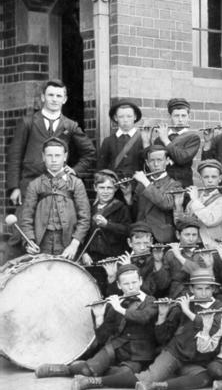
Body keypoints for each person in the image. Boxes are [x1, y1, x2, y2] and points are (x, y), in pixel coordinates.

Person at [35, 265, 158, 390]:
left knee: (124, 374)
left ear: (141, 281)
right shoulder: (116, 303)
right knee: (87, 370)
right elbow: (102, 338)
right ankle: (64, 369)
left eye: (134, 282)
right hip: (116, 348)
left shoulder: (150, 301)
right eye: (126, 284)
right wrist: (99, 317)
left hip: (139, 354)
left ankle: (90, 379)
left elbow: (143, 317)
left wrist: (120, 309)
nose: (131, 287)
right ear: (119, 285)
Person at [134, 269, 222, 390]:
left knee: (204, 379)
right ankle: (104, 379)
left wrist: (187, 311)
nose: (204, 293)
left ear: (213, 289)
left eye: (208, 289)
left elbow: (209, 328)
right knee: (147, 378)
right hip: (174, 353)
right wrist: (162, 315)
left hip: (199, 360)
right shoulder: (181, 305)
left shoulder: (219, 307)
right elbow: (163, 338)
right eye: (199, 289)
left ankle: (159, 386)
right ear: (192, 289)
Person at [7, 79, 96, 208]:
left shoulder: (70, 125)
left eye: (59, 96)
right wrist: (14, 187)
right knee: (28, 224)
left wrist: (75, 171)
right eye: (51, 95)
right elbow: (15, 156)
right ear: (43, 97)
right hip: (30, 184)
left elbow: (90, 153)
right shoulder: (28, 123)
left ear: (64, 99)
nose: (54, 99)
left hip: (59, 186)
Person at [20, 137, 91, 259]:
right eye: (49, 156)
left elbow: (85, 217)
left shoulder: (76, 183)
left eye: (57, 155)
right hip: (41, 244)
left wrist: (75, 243)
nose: (53, 160)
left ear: (65, 157)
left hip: (68, 244)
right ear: (43, 157)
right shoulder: (35, 184)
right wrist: (29, 241)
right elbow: (26, 218)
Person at [82, 169, 132, 294]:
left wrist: (107, 225)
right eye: (102, 187)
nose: (105, 191)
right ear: (95, 188)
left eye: (109, 188)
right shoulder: (89, 208)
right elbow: (82, 233)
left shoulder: (120, 207)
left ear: (115, 189)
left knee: (111, 291)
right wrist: (84, 253)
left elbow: (127, 230)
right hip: (93, 259)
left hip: (112, 259)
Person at [125, 145, 182, 244]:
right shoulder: (141, 185)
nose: (156, 164)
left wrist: (145, 182)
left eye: (159, 160)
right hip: (142, 236)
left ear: (167, 161)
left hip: (162, 237)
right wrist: (128, 197)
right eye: (152, 161)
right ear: (147, 163)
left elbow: (166, 204)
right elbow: (136, 212)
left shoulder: (175, 184)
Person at [104, 222, 171, 298]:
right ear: (129, 243)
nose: (142, 247)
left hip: (151, 304)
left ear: (151, 241)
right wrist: (112, 278)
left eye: (146, 243)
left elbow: (153, 290)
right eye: (137, 243)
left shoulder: (157, 259)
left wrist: (158, 262)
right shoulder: (122, 262)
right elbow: (113, 296)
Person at [146, 98, 201, 187]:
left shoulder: (193, 138)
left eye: (183, 116)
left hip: (183, 185)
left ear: (188, 117)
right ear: (170, 116)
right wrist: (146, 140)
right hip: (163, 186)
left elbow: (182, 158)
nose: (180, 120)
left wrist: (165, 140)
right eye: (176, 116)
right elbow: (152, 162)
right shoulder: (159, 140)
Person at [184, 159, 222, 248]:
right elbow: (183, 224)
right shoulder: (195, 200)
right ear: (201, 178)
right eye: (206, 177)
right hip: (193, 245)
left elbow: (210, 220)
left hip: (212, 247)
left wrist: (195, 200)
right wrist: (178, 204)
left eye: (214, 177)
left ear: (220, 178)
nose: (210, 180)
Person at [96, 99, 144, 178]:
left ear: (135, 117)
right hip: (115, 186)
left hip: (137, 186)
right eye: (121, 117)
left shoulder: (142, 139)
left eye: (129, 116)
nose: (125, 120)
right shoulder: (108, 141)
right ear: (115, 118)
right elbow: (101, 168)